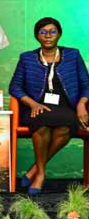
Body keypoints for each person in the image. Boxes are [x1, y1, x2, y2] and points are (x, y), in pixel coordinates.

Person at [9, 17, 89, 194]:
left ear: (59, 34)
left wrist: (82, 104)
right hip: (36, 107)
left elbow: (86, 84)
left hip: (66, 106)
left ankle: (35, 170)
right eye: (43, 32)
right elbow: (15, 87)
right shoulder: (27, 58)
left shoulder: (73, 55)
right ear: (37, 36)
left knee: (65, 125)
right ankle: (40, 174)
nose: (48, 36)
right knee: (41, 124)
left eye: (52, 31)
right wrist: (32, 103)